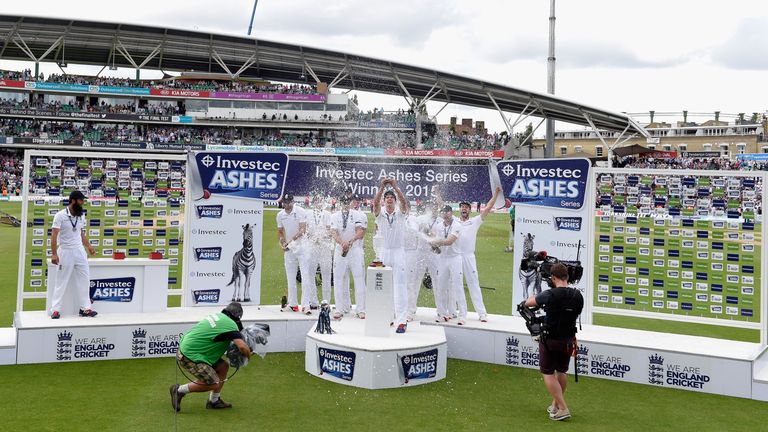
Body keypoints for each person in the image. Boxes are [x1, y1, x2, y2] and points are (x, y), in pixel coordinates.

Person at [524, 263, 584, 421]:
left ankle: (563, 408)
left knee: (548, 374)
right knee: (561, 372)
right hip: (568, 340)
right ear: (568, 277)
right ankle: (555, 405)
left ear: (553, 278)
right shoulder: (578, 296)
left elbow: (529, 303)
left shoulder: (550, 294)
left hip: (550, 340)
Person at [170, 302, 251, 411]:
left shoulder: (218, 316)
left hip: (189, 350)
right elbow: (242, 347)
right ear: (238, 316)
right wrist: (248, 355)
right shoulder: (230, 325)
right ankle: (179, 390)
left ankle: (214, 401)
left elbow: (237, 333)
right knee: (214, 383)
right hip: (189, 356)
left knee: (223, 367)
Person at [457, 186, 502, 322]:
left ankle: (482, 313)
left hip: (469, 256)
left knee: (473, 284)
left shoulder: (475, 221)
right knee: (456, 284)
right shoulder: (454, 221)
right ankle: (458, 313)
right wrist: (437, 194)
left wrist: (496, 194)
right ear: (459, 209)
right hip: (456, 256)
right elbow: (442, 208)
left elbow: (488, 208)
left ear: (470, 210)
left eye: (466, 207)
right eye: (462, 207)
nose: (464, 208)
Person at [49, 190, 97, 319]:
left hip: (79, 251)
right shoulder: (60, 215)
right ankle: (55, 310)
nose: (83, 203)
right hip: (65, 251)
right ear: (73, 200)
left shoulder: (81, 215)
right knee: (61, 281)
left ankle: (85, 308)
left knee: (85, 280)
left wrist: (89, 246)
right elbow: (54, 235)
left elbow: (81, 233)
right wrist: (54, 254)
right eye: (81, 200)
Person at [372, 178, 409, 333]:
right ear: (384, 201)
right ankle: (386, 318)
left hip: (398, 252)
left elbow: (404, 203)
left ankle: (401, 321)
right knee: (383, 287)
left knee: (400, 286)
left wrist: (395, 188)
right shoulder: (379, 215)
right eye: (386, 198)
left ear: (394, 201)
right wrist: (381, 187)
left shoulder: (400, 214)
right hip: (384, 252)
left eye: (391, 198)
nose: (389, 200)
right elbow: (375, 204)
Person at [329, 194, 367, 319]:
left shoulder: (356, 214)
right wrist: (341, 243)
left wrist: (350, 241)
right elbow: (333, 232)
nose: (345, 204)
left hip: (354, 249)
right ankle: (339, 309)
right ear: (340, 202)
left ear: (350, 202)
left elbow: (360, 232)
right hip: (340, 250)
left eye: (347, 201)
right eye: (343, 201)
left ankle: (361, 309)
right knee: (338, 279)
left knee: (359, 278)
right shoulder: (334, 216)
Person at [429, 205, 466, 324]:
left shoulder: (457, 225)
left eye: (447, 212)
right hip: (443, 258)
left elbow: (449, 241)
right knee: (441, 287)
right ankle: (442, 313)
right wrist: (433, 245)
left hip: (455, 258)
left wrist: (436, 242)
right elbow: (437, 247)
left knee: (458, 286)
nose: (445, 214)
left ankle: (462, 316)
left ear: (451, 212)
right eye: (443, 212)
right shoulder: (439, 226)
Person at [276, 194, 314, 314]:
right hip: (289, 249)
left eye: (288, 202)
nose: (286, 205)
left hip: (303, 248)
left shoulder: (301, 211)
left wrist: (290, 242)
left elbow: (303, 230)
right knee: (290, 277)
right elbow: (281, 232)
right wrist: (282, 242)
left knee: (305, 276)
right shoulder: (280, 215)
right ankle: (293, 304)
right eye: (284, 202)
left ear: (293, 202)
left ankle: (306, 305)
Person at [405, 200, 441, 322]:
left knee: (437, 281)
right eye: (431, 207)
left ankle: (441, 311)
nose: (433, 209)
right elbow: (415, 231)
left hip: (434, 253)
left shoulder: (440, 221)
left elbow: (442, 237)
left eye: (435, 207)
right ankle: (411, 310)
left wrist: (435, 243)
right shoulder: (420, 219)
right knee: (415, 280)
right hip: (420, 251)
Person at [305, 196, 333, 304]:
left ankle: (326, 302)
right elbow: (305, 230)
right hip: (312, 247)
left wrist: (321, 236)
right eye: (316, 202)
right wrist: (311, 237)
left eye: (320, 202)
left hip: (324, 247)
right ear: (313, 203)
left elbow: (330, 231)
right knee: (310, 274)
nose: (318, 204)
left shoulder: (328, 214)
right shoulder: (308, 214)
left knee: (326, 275)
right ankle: (313, 301)